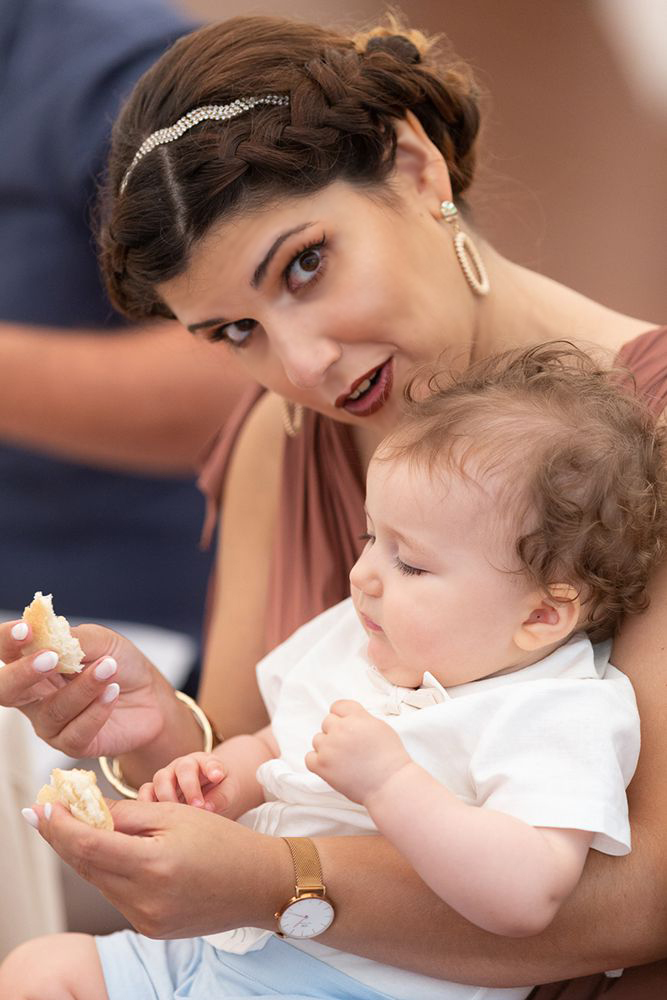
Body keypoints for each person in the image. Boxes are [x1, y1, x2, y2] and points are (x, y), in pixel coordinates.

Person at [0, 12, 665, 1000]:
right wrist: (151, 731)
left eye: (305, 264)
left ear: (416, 167)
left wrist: (281, 884)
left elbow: (643, 898)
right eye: (235, 331)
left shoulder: (652, 433)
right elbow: (249, 767)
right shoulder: (283, 435)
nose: (303, 364)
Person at [104, 343, 655, 1000]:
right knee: (41, 969)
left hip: (353, 983)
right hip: (227, 944)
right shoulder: (364, 635)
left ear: (540, 615)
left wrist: (392, 783)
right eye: (371, 538)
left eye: (410, 563)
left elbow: (528, 894)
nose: (363, 574)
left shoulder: (558, 712)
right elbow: (280, 743)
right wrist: (222, 780)